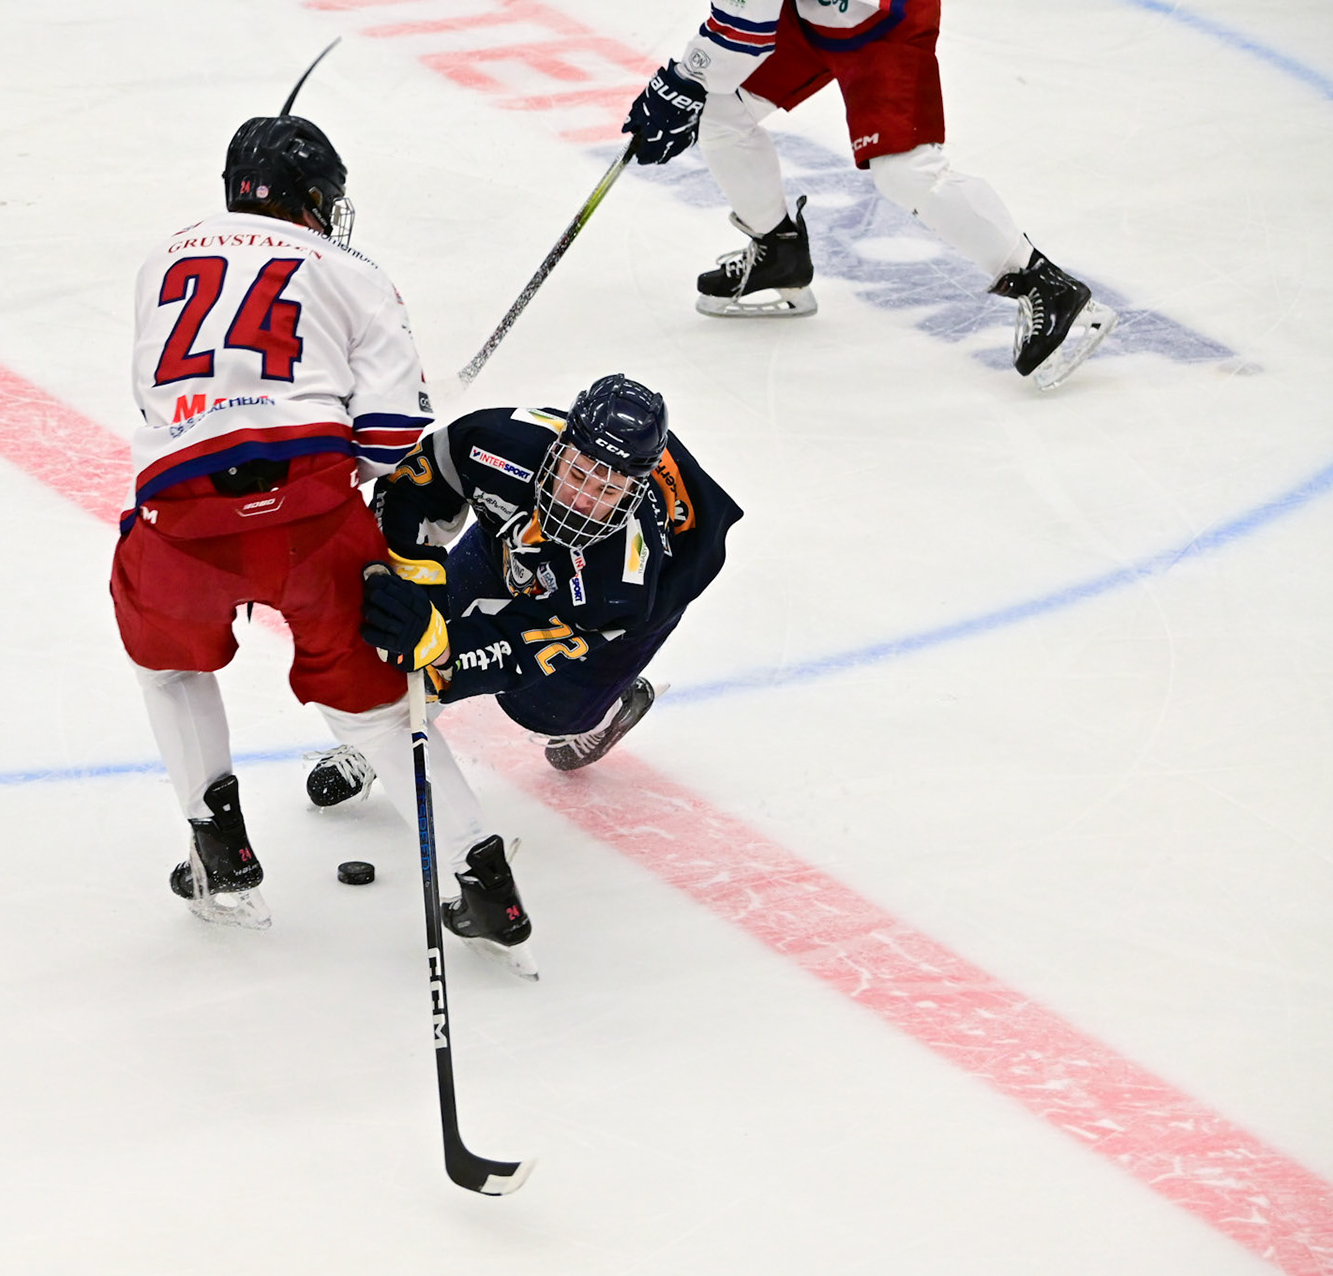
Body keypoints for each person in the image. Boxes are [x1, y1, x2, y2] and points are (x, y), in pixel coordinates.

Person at [115, 110, 528, 968]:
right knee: (376, 714)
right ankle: (486, 884)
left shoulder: (164, 256)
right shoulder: (352, 271)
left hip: (180, 516)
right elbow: (389, 441)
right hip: (310, 517)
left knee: (170, 668)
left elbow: (160, 402)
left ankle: (220, 854)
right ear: (312, 198)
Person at [622, 0, 1114, 390]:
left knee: (906, 172)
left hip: (883, 17)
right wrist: (689, 84)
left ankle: (1042, 281)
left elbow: (743, 29)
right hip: (814, 12)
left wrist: (683, 82)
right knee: (721, 108)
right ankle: (779, 252)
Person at [311, 374, 741, 808]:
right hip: (516, 542)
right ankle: (385, 739)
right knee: (417, 619)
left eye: (608, 490)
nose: (582, 501)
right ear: (560, 446)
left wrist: (443, 649)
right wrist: (408, 578)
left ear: (633, 492)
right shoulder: (499, 442)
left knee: (543, 710)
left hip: (643, 596)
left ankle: (608, 709)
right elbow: (415, 487)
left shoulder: (621, 583)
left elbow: (523, 647)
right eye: (577, 473)